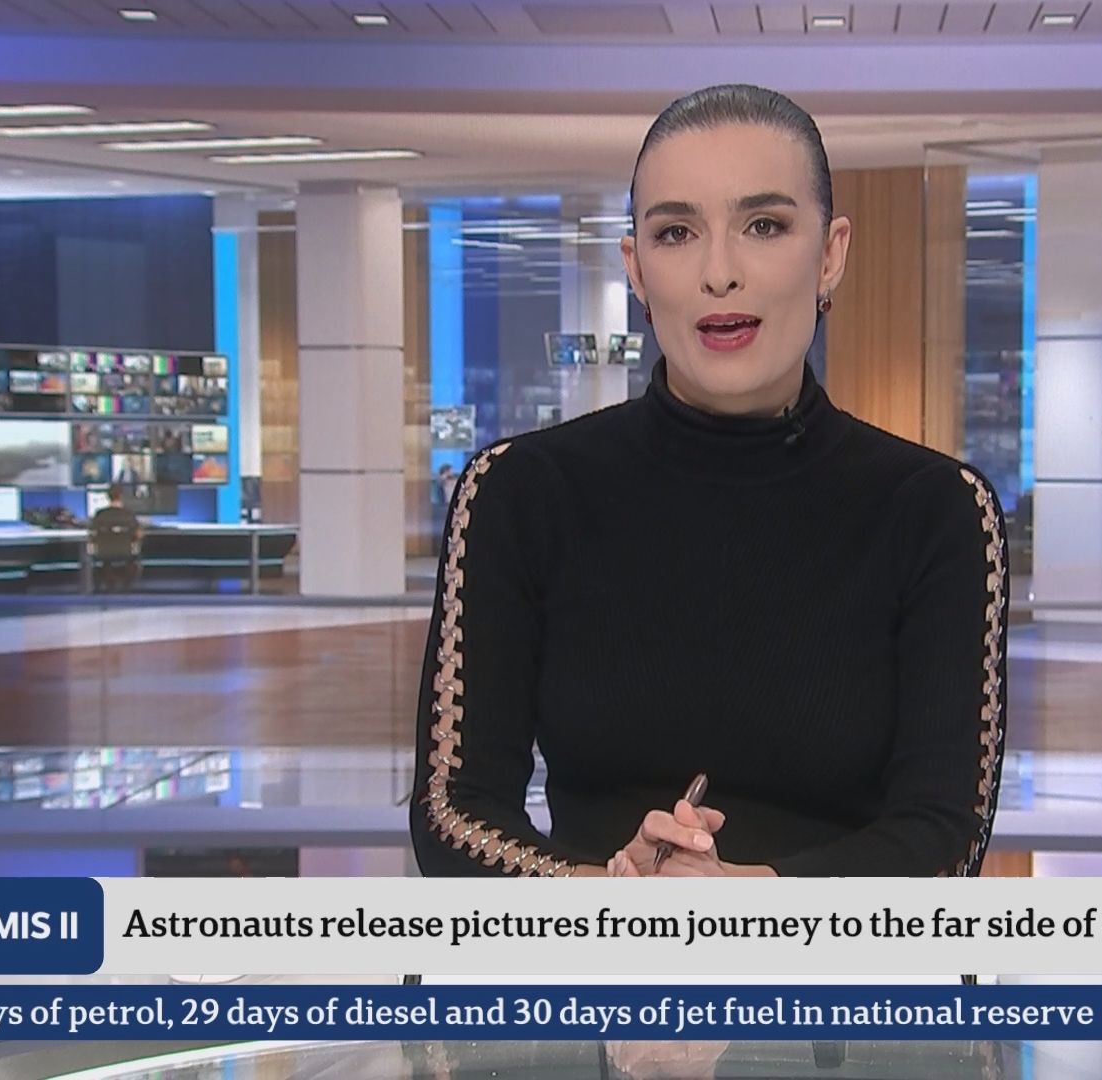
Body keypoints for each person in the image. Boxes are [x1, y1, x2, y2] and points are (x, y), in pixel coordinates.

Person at [411, 84, 1010, 882]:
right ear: (636, 267)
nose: (719, 273)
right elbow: (451, 813)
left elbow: (946, 838)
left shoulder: (939, 512)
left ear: (830, 254)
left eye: (764, 226)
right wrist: (604, 895)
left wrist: (749, 900)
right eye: (676, 232)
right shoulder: (517, 494)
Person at [89, 485, 144, 592]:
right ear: (121, 496)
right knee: (135, 559)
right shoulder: (129, 514)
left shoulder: (99, 515)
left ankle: (110, 582)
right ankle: (126, 587)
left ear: (108, 496)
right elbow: (139, 535)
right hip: (125, 552)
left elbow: (92, 534)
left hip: (103, 553)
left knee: (103, 561)